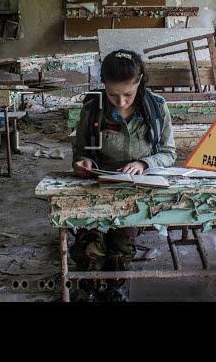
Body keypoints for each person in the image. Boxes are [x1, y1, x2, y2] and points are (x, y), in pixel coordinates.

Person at [71, 49, 176, 302]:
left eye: (128, 94)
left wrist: (144, 162)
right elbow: (79, 152)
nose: (120, 102)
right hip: (96, 187)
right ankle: (89, 288)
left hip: (135, 190)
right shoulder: (93, 108)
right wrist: (83, 163)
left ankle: (115, 288)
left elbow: (169, 153)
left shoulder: (156, 108)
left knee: (121, 245)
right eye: (112, 94)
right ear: (103, 86)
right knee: (90, 245)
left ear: (140, 83)